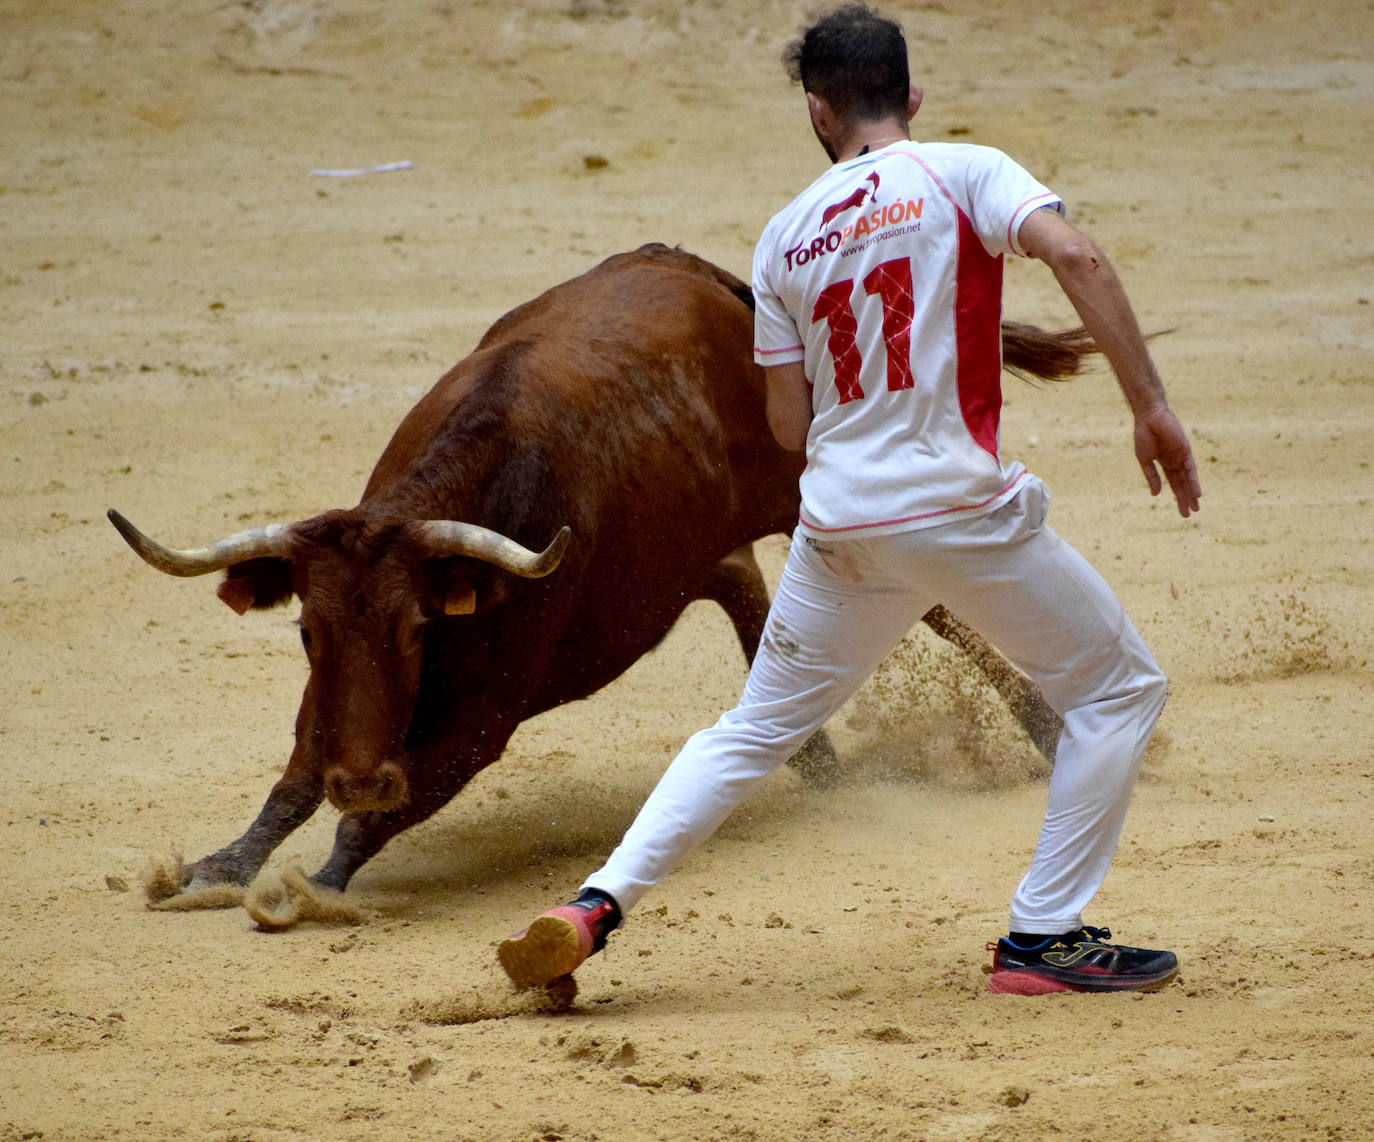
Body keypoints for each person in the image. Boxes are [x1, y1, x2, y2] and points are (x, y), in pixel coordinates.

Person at [498, 2, 1201, 997]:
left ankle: (594, 903)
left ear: (818, 113)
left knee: (749, 732)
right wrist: (1152, 407)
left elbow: (788, 426)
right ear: (911, 96)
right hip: (959, 513)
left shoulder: (786, 238)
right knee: (1117, 688)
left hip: (840, 530)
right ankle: (1044, 933)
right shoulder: (965, 171)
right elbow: (1076, 255)